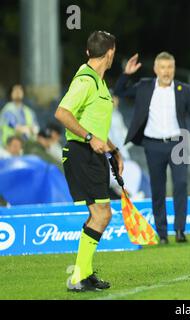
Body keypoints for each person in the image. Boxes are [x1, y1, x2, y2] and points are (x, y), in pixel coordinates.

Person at [114, 52, 190, 244]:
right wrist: (126, 74)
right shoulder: (144, 86)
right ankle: (162, 233)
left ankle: (180, 231)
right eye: (162, 67)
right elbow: (119, 91)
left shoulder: (182, 90)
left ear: (174, 69)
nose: (166, 72)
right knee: (158, 188)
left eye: (170, 67)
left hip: (178, 144)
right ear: (155, 69)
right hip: (152, 145)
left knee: (181, 184)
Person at [54, 30, 122, 292]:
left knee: (100, 214)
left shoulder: (99, 82)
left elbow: (94, 123)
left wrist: (114, 150)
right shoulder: (86, 80)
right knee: (102, 214)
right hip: (82, 153)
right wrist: (90, 137)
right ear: (110, 53)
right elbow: (61, 112)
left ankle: (83, 273)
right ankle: (79, 276)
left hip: (92, 153)